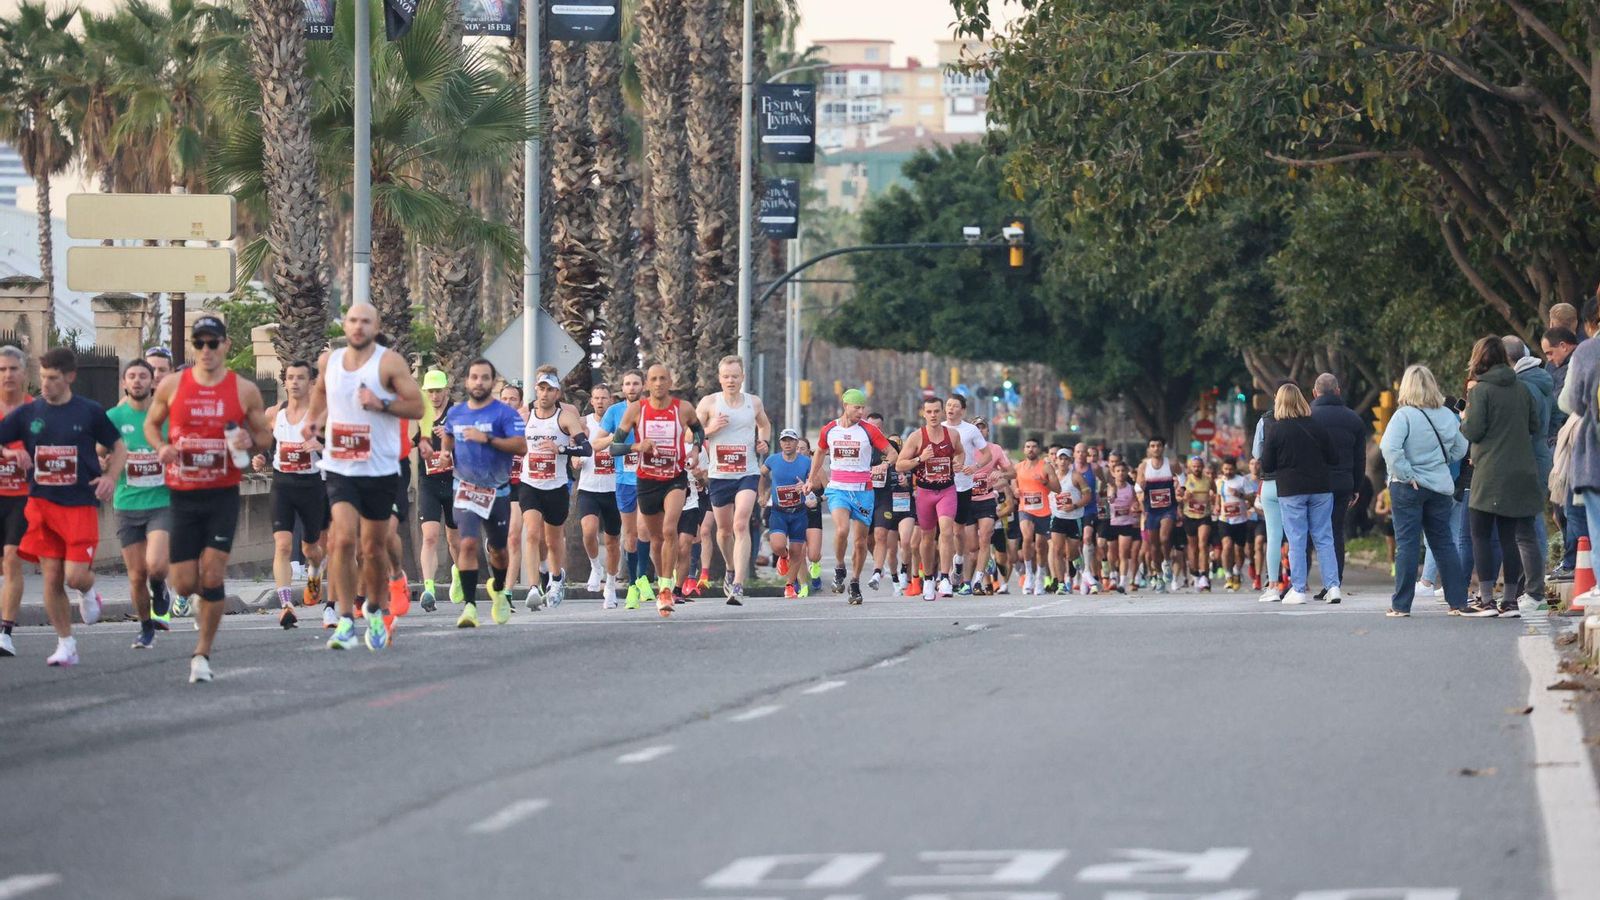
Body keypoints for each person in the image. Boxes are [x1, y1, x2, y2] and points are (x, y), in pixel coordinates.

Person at [145, 317, 273, 681]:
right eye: (199, 343)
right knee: (185, 583)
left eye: (212, 343)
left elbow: (264, 437)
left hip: (222, 494)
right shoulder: (173, 384)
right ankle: (186, 596)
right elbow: (151, 425)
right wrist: (162, 447)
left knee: (213, 573)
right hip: (183, 495)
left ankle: (202, 653)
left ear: (225, 346)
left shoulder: (244, 390)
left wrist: (250, 440)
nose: (206, 350)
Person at [304, 303, 424, 651]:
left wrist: (380, 404)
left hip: (380, 468)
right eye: (353, 320)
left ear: (376, 326)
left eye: (365, 321)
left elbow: (417, 407)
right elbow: (321, 392)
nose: (358, 327)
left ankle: (373, 607)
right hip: (341, 466)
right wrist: (313, 419)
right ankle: (344, 618)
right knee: (341, 541)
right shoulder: (330, 361)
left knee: (372, 549)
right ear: (345, 325)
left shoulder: (389, 363)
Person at [0, 348, 124, 666]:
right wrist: (10, 454)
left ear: (70, 377)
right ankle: (65, 643)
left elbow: (119, 446)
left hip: (79, 504)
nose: (46, 384)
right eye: (42, 377)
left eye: (53, 378)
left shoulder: (89, 411)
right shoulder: (30, 413)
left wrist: (110, 476)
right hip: (41, 504)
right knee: (51, 576)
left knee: (75, 576)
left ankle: (88, 591)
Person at [1380, 364, 1492, 617]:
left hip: (1409, 487)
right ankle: (1457, 601)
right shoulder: (1445, 414)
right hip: (1440, 487)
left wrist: (1407, 474)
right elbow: (1461, 448)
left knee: (1407, 545)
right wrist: (1440, 465)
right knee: (1444, 543)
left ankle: (1401, 605)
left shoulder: (1403, 415)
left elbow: (1390, 449)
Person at [440, 359, 527, 627]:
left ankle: (499, 590)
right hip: (465, 488)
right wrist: (445, 453)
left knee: (499, 550)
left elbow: (521, 447)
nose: (479, 382)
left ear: (492, 382)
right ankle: (469, 607)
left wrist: (487, 438)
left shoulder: (504, 414)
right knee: (467, 543)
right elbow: (448, 435)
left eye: (485, 377)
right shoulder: (456, 413)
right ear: (467, 381)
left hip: (497, 491)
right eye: (474, 377)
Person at [1460, 336, 1543, 615]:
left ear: (1479, 358)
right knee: (1510, 536)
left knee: (1480, 534)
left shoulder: (1481, 391)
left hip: (1490, 471)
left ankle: (1487, 600)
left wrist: (1464, 417)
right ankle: (1509, 601)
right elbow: (1535, 425)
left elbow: (1473, 431)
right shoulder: (1522, 388)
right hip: (1520, 470)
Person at [612, 363, 701, 615]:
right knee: (655, 538)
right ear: (647, 384)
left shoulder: (683, 408)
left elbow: (699, 430)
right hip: (647, 479)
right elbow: (614, 447)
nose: (659, 383)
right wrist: (636, 447)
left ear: (670, 381)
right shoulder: (636, 410)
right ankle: (662, 579)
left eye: (663, 378)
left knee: (669, 529)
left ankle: (665, 589)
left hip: (674, 478)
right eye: (654, 379)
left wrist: (695, 449)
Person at [253, 359, 327, 630]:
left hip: (311, 485)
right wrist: (261, 457)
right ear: (284, 382)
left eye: (301, 378)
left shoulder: (321, 415)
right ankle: (286, 605)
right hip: (282, 484)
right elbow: (265, 442)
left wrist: (321, 444)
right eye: (290, 377)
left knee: (310, 548)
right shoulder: (275, 413)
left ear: (311, 383)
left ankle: (315, 572)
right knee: (283, 545)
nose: (294, 382)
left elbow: (336, 447)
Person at [109, 359, 175, 648]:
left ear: (152, 382)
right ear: (124, 383)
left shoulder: (166, 416)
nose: (137, 381)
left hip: (162, 501)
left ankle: (160, 585)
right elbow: (99, 451)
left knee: (156, 566)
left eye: (143, 376)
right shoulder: (113, 416)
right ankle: (146, 627)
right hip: (127, 504)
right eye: (132, 376)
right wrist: (102, 461)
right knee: (136, 576)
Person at [696, 356, 771, 605]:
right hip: (719, 476)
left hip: (747, 473)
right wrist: (709, 429)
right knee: (724, 531)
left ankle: (738, 583)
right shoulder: (709, 403)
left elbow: (765, 426)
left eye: (735, 376)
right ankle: (730, 567)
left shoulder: (753, 402)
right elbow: (689, 434)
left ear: (742, 378)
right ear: (720, 378)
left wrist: (764, 442)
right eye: (726, 376)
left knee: (741, 524)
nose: (731, 380)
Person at [1259, 383, 1340, 605]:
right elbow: (1334, 457)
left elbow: (1266, 464)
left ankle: (1299, 589)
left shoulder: (1276, 429)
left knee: (1297, 540)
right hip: (1321, 488)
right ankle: (1333, 587)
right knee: (1324, 538)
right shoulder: (1317, 426)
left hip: (1291, 490)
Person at [517, 366, 591, 609]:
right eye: (541, 388)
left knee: (553, 539)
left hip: (557, 485)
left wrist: (560, 449)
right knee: (531, 532)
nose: (545, 394)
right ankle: (533, 587)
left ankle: (557, 578)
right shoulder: (524, 417)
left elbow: (586, 449)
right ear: (535, 390)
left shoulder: (565, 418)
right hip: (529, 483)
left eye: (550, 390)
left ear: (557, 393)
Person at [812, 389, 896, 604]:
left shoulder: (869, 431)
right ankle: (840, 566)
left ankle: (855, 582)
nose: (861, 411)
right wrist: (811, 478)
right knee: (841, 529)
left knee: (860, 543)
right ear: (845, 405)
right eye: (856, 407)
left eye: (863, 408)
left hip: (863, 490)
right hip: (839, 488)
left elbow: (893, 453)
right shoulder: (829, 429)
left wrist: (884, 466)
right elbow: (820, 453)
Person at [594, 370, 651, 608]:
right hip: (624, 480)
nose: (631, 387)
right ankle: (633, 585)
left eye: (635, 383)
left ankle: (642, 577)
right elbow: (596, 444)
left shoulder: (651, 409)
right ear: (623, 387)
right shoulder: (614, 412)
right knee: (630, 534)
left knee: (644, 529)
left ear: (643, 386)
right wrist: (618, 440)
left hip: (649, 477)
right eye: (627, 383)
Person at [897, 396, 964, 600]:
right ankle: (928, 578)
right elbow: (899, 465)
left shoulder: (951, 435)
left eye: (937, 411)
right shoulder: (917, 437)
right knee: (927, 538)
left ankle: (944, 578)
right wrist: (920, 459)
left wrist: (959, 463)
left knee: (946, 530)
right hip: (925, 492)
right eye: (929, 412)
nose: (933, 415)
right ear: (923, 413)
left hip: (947, 490)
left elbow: (960, 453)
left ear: (942, 412)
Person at [1504, 335, 1554, 598]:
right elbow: (1556, 415)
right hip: (1542, 453)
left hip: (1526, 457)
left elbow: (1523, 426)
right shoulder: (1543, 381)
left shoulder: (1522, 387)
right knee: (1534, 519)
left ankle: (1533, 586)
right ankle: (1535, 581)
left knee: (1528, 524)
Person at [1309, 373, 1367, 586]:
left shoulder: (1307, 416)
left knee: (1307, 533)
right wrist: (1357, 486)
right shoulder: (1353, 419)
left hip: (1313, 483)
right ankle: (1335, 581)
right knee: (1335, 531)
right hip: (1343, 483)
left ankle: (1300, 582)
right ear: (1338, 391)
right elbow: (1360, 457)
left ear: (1315, 392)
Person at [415, 369, 460, 612]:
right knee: (430, 536)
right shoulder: (421, 414)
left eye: (438, 391)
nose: (434, 396)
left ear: (446, 391)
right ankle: (429, 589)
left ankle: (458, 572)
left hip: (453, 482)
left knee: (455, 539)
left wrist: (452, 436)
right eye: (430, 391)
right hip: (429, 482)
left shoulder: (456, 412)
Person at [576, 383, 623, 608]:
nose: (601, 401)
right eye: (597, 398)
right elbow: (575, 449)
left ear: (610, 400)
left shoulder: (620, 423)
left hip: (614, 489)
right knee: (589, 530)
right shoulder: (585, 424)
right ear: (592, 401)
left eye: (604, 398)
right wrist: (575, 458)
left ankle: (611, 586)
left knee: (613, 541)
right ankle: (596, 567)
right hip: (589, 487)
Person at [0, 345, 32, 657]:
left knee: (12, 557)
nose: (7, 374)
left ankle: (5, 631)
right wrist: (7, 452)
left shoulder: (36, 410)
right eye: (2, 369)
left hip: (22, 497)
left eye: (13, 369)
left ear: (24, 373)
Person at [943, 394, 988, 591]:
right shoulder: (939, 428)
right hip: (942, 485)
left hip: (963, 485)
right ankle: (944, 575)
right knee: (945, 530)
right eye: (948, 405)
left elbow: (987, 454)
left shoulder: (970, 430)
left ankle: (959, 558)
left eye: (955, 406)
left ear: (962, 410)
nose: (950, 408)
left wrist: (975, 466)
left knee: (957, 530)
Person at [760, 429, 811, 598]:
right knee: (778, 545)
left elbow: (815, 482)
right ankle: (782, 556)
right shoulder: (773, 460)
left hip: (799, 512)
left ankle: (790, 585)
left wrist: (805, 485)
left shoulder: (805, 462)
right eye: (784, 440)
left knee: (797, 551)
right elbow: (761, 474)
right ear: (780, 443)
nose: (787, 443)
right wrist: (761, 494)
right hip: (779, 511)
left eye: (791, 440)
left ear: (797, 443)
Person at [1013, 437, 1060, 596]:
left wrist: (1044, 483)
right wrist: (1015, 490)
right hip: (1025, 508)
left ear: (1038, 449)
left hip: (1043, 511)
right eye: (1028, 446)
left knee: (1041, 546)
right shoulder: (1018, 467)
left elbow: (1058, 488)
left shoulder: (1046, 467)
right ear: (1024, 449)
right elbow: (1013, 480)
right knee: (1027, 537)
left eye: (1034, 446)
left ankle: (1040, 577)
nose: (1031, 449)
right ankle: (1029, 575)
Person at [870, 433, 914, 594]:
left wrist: (907, 483)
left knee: (907, 542)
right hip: (888, 507)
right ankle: (895, 578)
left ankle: (904, 570)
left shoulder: (907, 463)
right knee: (891, 548)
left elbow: (916, 484)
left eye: (896, 445)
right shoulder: (880, 465)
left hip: (905, 507)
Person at [1134, 438, 1178, 592]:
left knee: (1164, 538)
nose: (1156, 448)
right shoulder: (1144, 466)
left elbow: (1183, 476)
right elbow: (1138, 486)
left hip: (1168, 508)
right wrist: (1140, 492)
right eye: (1153, 446)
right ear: (1149, 449)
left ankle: (1166, 561)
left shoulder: (1170, 463)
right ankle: (1159, 576)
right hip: (1151, 510)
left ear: (1163, 447)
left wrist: (1182, 488)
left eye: (1159, 445)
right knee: (1153, 547)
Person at [1176, 455, 1214, 591]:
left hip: (1204, 516)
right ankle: (1195, 573)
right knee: (1193, 548)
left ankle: (1204, 574)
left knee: (1203, 544)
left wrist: (1213, 499)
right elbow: (1178, 496)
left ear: (1202, 467)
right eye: (1194, 466)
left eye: (1199, 466)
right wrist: (1183, 497)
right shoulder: (1185, 480)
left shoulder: (1209, 480)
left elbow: (1215, 493)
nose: (1197, 468)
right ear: (1190, 467)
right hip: (1189, 516)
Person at [1216, 457, 1254, 592]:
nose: (1228, 471)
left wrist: (1240, 495)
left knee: (1239, 550)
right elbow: (1217, 496)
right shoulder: (1219, 481)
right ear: (1222, 469)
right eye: (1225, 469)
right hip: (1224, 520)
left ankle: (1237, 571)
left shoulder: (1242, 480)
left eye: (1230, 469)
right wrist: (1216, 506)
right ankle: (1228, 576)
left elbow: (1252, 497)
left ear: (1235, 469)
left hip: (1241, 520)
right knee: (1227, 546)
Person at [1104, 458, 1140, 593]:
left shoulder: (1131, 488)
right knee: (1112, 553)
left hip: (1126, 523)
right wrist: (1111, 496)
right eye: (1118, 471)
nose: (1120, 473)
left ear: (1127, 473)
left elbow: (1136, 503)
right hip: (1112, 523)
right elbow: (1109, 499)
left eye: (1123, 471)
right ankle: (1113, 574)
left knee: (1123, 553)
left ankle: (1123, 581)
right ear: (1113, 473)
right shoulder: (1110, 487)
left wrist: (1135, 506)